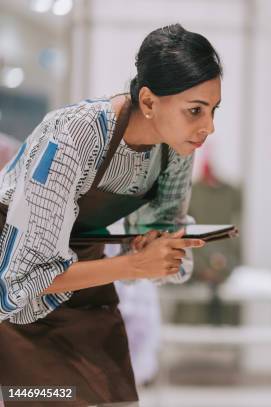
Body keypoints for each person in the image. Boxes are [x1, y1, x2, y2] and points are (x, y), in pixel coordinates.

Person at [0, 23, 221, 406]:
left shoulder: (176, 148)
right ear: (149, 102)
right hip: (19, 306)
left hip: (85, 286)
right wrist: (135, 266)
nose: (208, 127)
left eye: (213, 110)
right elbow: (20, 282)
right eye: (195, 111)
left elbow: (160, 225)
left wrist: (161, 246)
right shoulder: (74, 135)